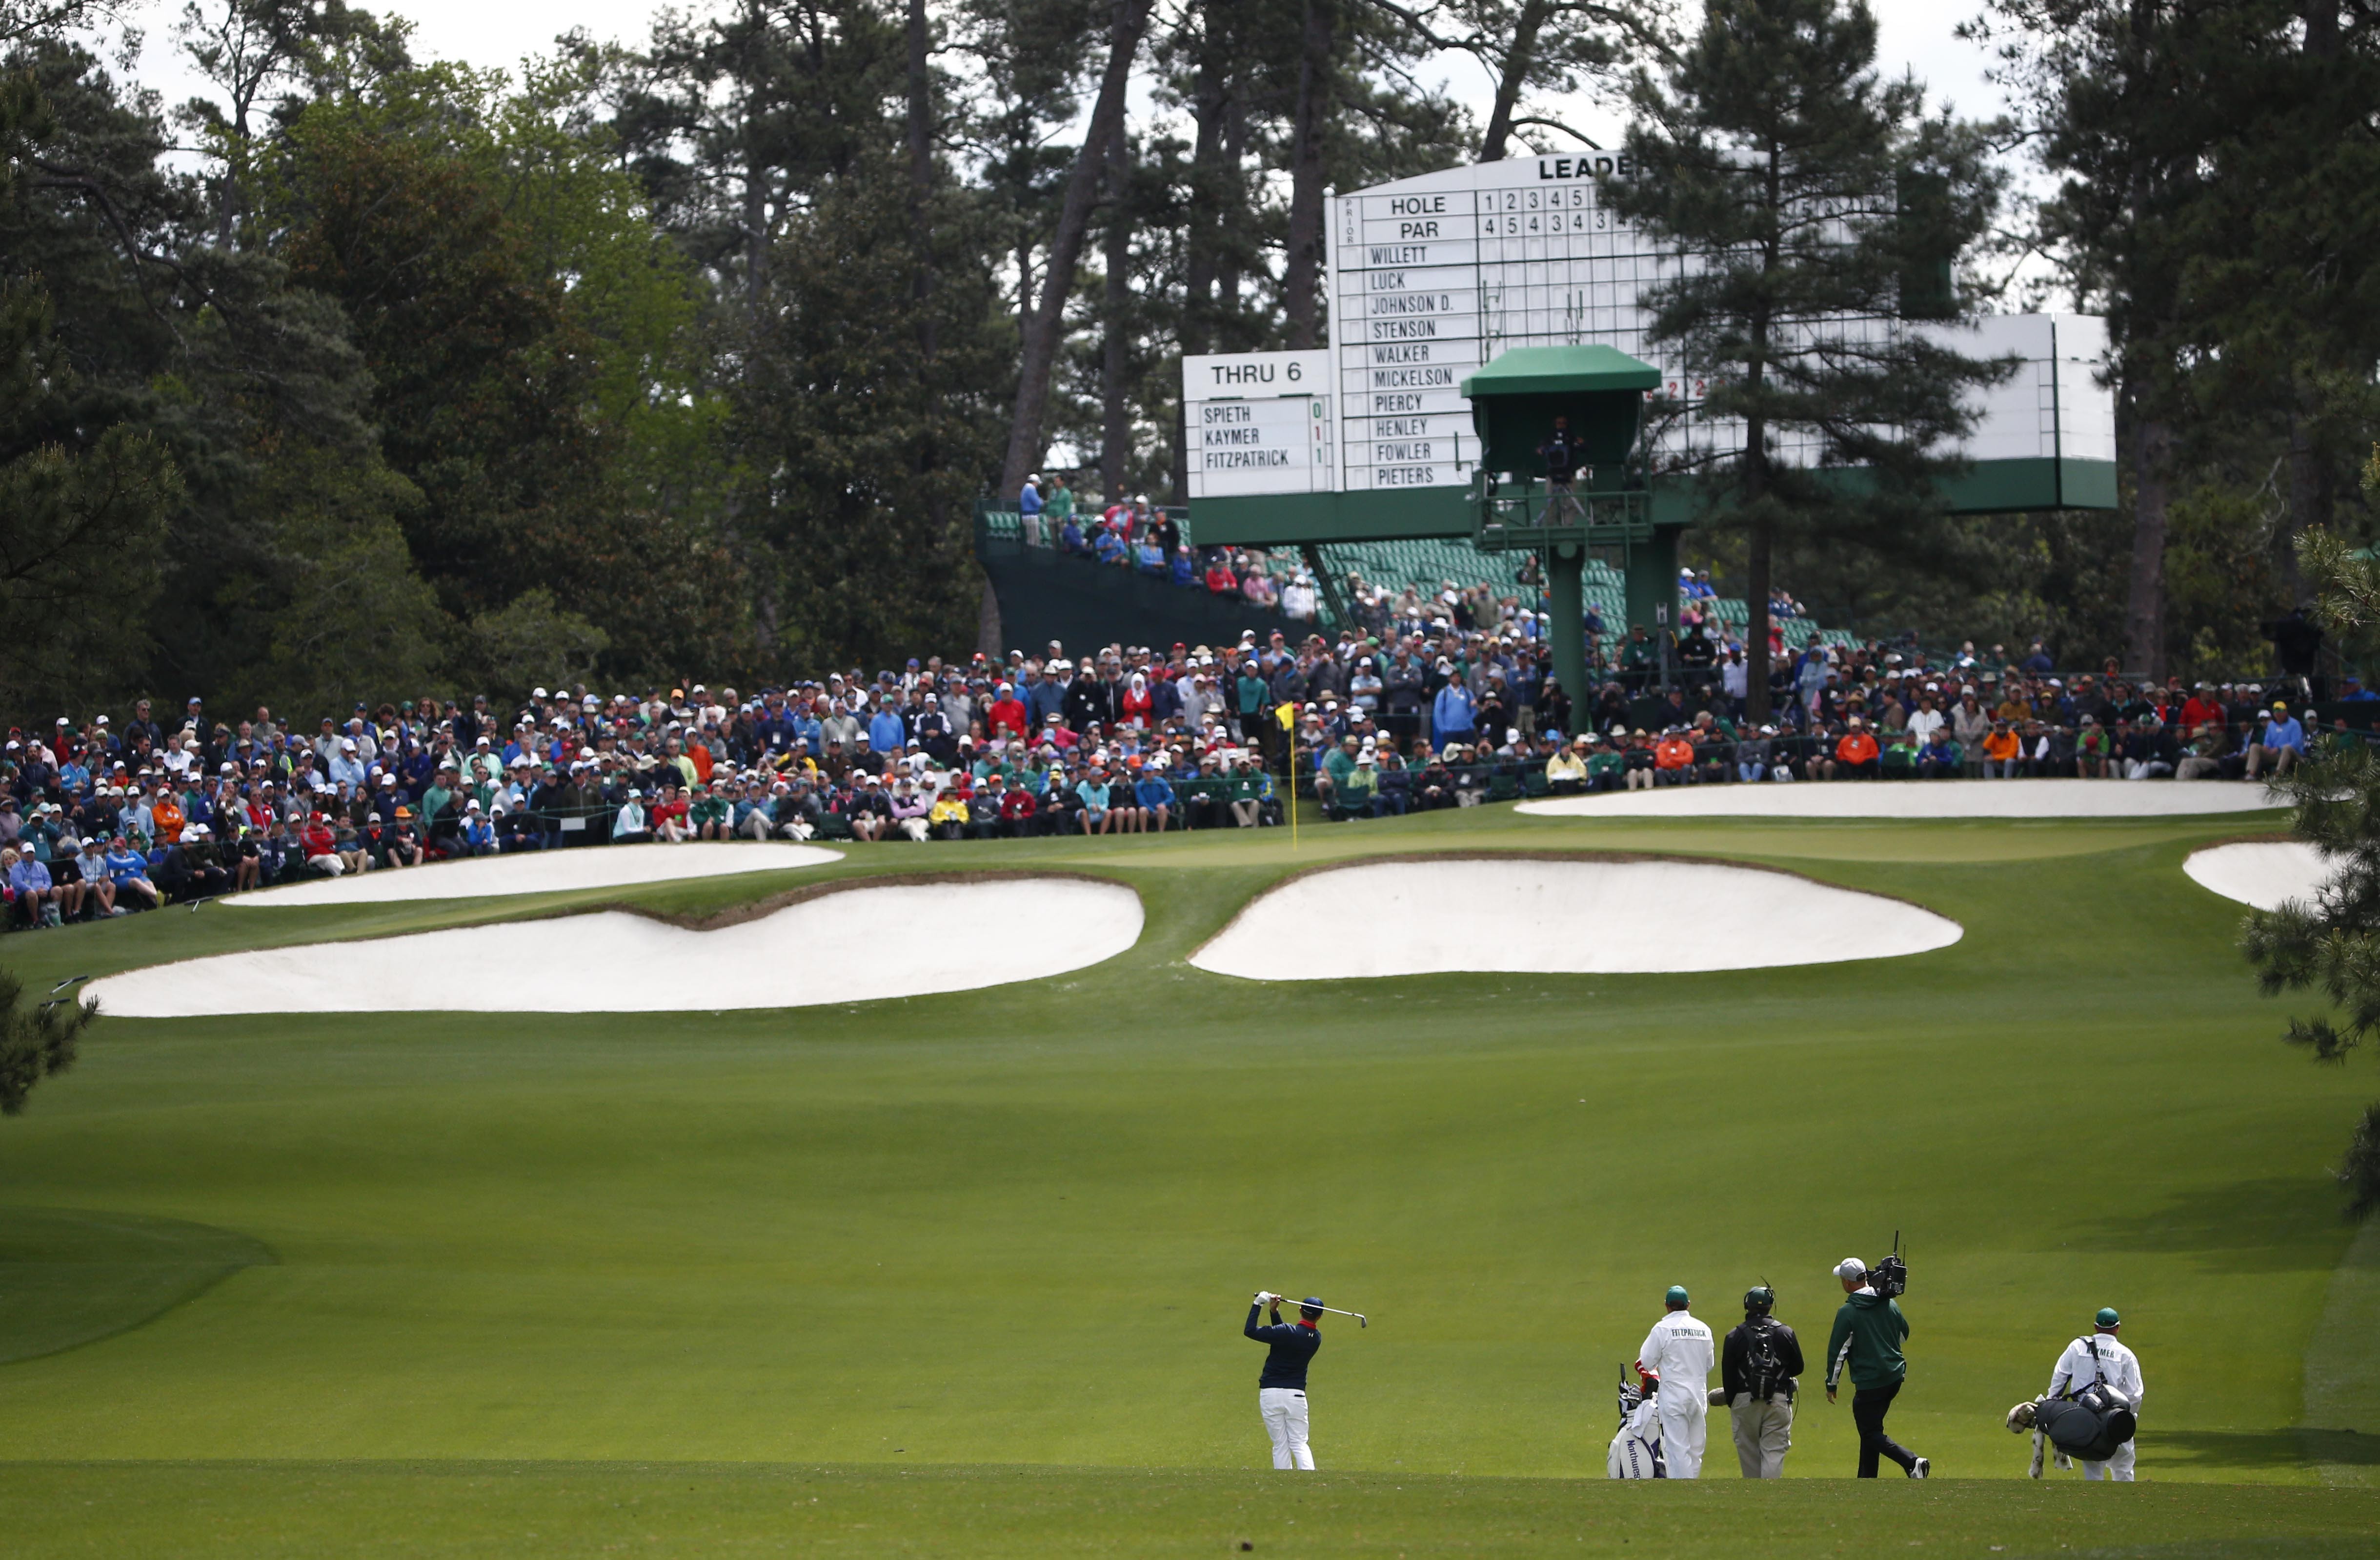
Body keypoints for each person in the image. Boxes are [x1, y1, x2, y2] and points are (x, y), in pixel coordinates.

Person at [1825, 1257, 1929, 1478]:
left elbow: (1838, 1352)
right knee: (1872, 1428)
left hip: (1871, 1382)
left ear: (1847, 1283)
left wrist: (1831, 1383)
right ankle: (1867, 1478)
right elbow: (1903, 1335)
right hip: (1894, 1376)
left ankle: (1912, 1463)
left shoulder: (1848, 1312)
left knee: (1870, 1431)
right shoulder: (1889, 1303)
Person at [2046, 1307, 2142, 1481]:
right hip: (2116, 1419)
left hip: (2086, 1419)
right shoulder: (2125, 1354)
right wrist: (2128, 1419)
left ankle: (2096, 1504)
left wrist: (2051, 1404)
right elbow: (2135, 1395)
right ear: (2118, 1328)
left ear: (2096, 1327)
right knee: (2124, 1468)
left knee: (2093, 1470)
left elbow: (2060, 1377)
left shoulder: (2077, 1346)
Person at [1723, 1284, 1805, 1478]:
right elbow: (1798, 1368)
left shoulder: (1734, 1335)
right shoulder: (1785, 1332)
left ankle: (1753, 1499)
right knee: (1774, 1452)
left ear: (1747, 1306)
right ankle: (1771, 1496)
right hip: (1778, 1400)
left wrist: (1733, 1402)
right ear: (1771, 1306)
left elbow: (1728, 1375)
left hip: (1744, 1400)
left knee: (1749, 1453)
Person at [1634, 1284, 1714, 1478]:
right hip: (1698, 1393)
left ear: (1667, 1306)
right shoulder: (1704, 1329)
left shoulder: (1662, 1328)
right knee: (1696, 1450)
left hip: (1673, 1395)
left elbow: (1646, 1361)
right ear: (1688, 1305)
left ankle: (1684, 1490)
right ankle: (1691, 1484)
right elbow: (1709, 1364)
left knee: (1677, 1448)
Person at [1245, 1291, 1323, 1471]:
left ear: (1300, 1310)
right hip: (1296, 1395)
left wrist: (1258, 1304)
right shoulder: (1316, 1338)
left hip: (1270, 1394)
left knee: (1280, 1443)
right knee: (1299, 1443)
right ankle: (1310, 1482)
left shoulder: (1286, 1332)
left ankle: (1285, 1483)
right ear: (1319, 1317)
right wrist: (1274, 1313)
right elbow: (1286, 1336)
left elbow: (1250, 1331)